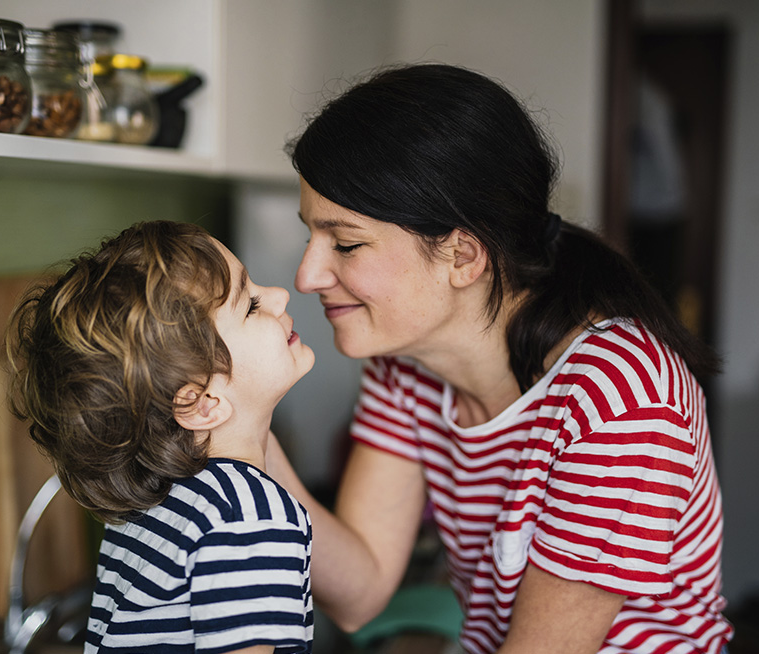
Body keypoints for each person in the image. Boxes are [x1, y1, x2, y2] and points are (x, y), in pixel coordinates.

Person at [264, 63, 733, 654]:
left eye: (346, 243)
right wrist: (250, 432)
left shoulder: (621, 399)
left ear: (463, 255)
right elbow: (359, 596)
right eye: (311, 235)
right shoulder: (405, 364)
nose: (307, 275)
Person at [8, 220, 317, 654]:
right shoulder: (250, 515)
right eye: (249, 305)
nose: (281, 296)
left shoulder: (148, 505)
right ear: (201, 403)